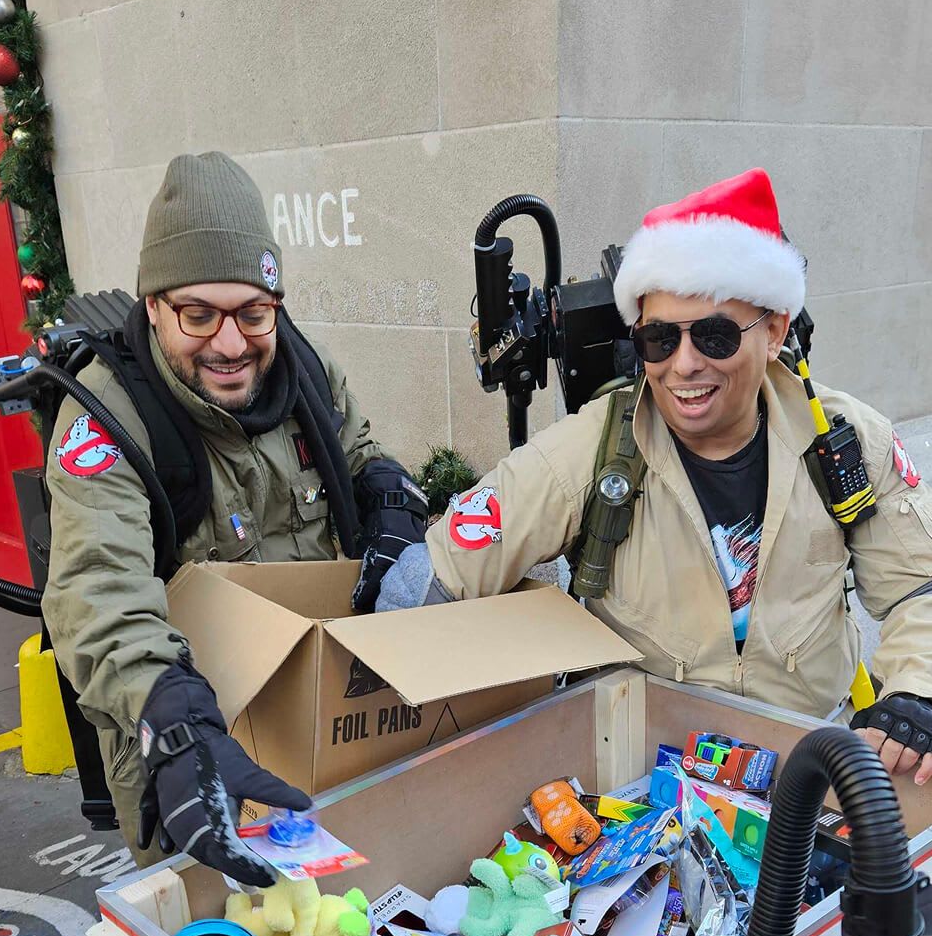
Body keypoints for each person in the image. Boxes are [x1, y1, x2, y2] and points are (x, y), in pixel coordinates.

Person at [379, 170, 932, 786]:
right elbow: (437, 579)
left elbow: (918, 587)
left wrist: (917, 691)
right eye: (660, 338)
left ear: (775, 330)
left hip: (812, 777)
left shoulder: (847, 440)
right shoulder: (593, 450)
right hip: (649, 794)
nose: (685, 364)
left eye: (717, 335)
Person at [43, 151, 426, 878]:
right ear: (153, 304)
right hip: (189, 752)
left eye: (253, 312)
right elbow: (97, 592)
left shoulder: (308, 374)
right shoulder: (106, 422)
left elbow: (361, 451)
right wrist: (178, 726)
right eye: (198, 313)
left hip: (321, 722)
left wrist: (389, 507)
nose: (230, 343)